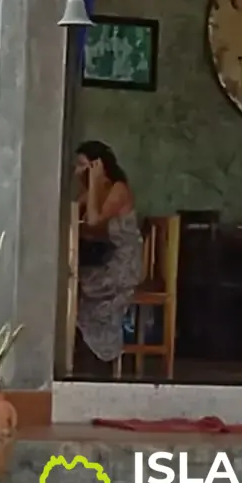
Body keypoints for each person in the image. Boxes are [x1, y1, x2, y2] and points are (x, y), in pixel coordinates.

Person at [72, 140, 142, 369]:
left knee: (76, 285)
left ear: (97, 166)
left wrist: (93, 183)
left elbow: (93, 220)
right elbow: (73, 211)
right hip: (108, 258)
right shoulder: (96, 192)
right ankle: (86, 352)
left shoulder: (117, 189)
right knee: (71, 281)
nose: (77, 172)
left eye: (82, 165)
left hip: (124, 264)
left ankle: (99, 353)